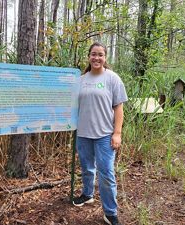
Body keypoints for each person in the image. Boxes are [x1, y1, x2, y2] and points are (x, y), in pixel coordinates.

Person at [73, 42, 128, 225]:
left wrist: (117, 133)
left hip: (105, 135)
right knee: (87, 168)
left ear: (105, 58)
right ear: (89, 56)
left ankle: (110, 212)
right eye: (93, 54)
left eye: (100, 55)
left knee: (106, 173)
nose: (96, 58)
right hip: (83, 134)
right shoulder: (80, 80)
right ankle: (87, 194)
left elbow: (118, 107)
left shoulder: (112, 78)